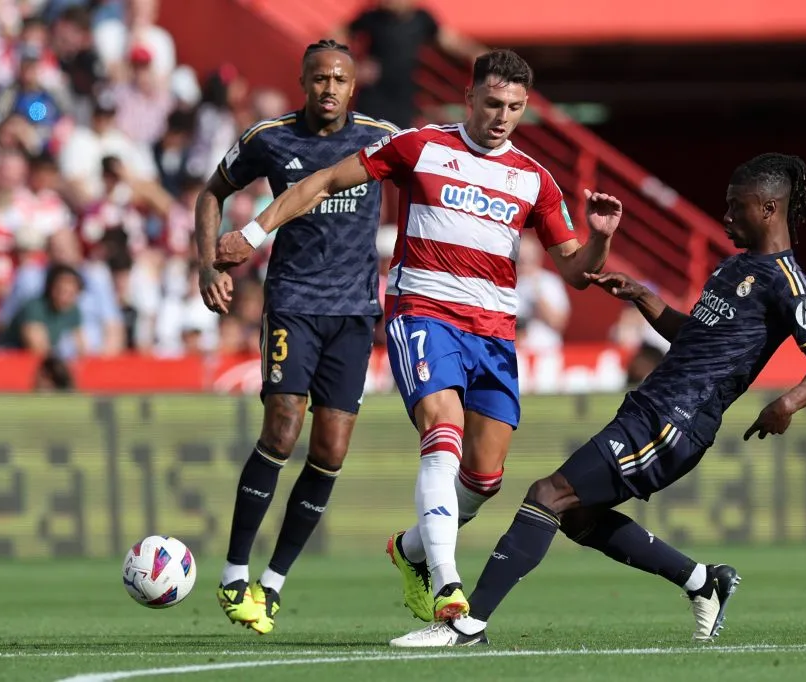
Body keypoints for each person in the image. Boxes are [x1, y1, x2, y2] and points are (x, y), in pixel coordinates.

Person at [214, 49, 622, 626]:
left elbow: (577, 272)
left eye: (513, 107)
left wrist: (601, 240)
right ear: (469, 98)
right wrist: (255, 231)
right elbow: (326, 179)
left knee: (483, 479)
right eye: (491, 103)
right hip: (423, 316)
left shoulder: (535, 180)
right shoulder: (420, 145)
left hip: (495, 335)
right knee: (442, 429)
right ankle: (448, 586)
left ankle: (409, 552)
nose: (501, 116)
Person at [387, 152, 806, 647]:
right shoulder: (737, 268)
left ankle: (465, 624)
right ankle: (702, 581)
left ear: (770, 209)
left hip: (676, 421)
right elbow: (697, 337)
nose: (727, 217)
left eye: (738, 207)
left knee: (548, 495)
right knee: (579, 519)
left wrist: (787, 404)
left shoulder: (788, 280)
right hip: (652, 406)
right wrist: (642, 296)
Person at [194, 39, 398, 636]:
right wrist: (207, 264)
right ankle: (234, 574)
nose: (329, 88)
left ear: (352, 88)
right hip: (293, 305)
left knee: (331, 450)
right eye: (318, 79)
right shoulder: (270, 138)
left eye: (339, 78)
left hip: (357, 312)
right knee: (282, 429)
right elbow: (212, 192)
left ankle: (273, 583)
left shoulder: (381, 137)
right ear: (303, 82)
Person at [335, 0, 484, 128]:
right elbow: (338, 34)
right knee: (367, 139)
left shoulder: (421, 19)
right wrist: (352, 67)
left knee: (398, 139)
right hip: (374, 96)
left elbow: (449, 40)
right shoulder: (372, 16)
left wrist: (475, 53)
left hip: (404, 97)